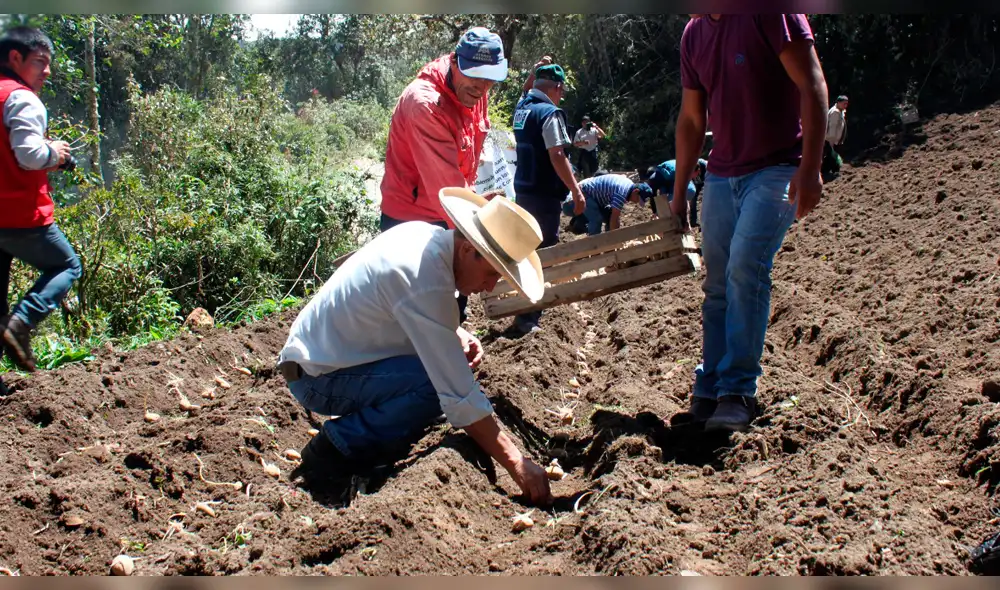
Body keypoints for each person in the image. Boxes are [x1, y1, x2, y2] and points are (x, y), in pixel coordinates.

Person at [280, 189, 553, 506]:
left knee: (437, 379)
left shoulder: (424, 237)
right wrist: (517, 463)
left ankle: (379, 427)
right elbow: (459, 394)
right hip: (318, 378)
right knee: (436, 387)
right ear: (467, 250)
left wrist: (453, 332)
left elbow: (406, 308)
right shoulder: (423, 278)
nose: (489, 287)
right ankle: (338, 446)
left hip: (325, 358)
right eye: (492, 273)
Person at [671, 14, 827, 433]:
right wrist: (680, 190)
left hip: (776, 166)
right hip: (722, 172)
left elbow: (812, 83)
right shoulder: (694, 34)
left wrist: (811, 167)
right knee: (717, 282)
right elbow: (691, 119)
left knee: (745, 267)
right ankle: (711, 384)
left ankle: (738, 390)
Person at [378, 26, 510, 324]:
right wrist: (485, 235)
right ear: (454, 62)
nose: (481, 87)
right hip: (410, 222)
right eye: (474, 75)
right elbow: (448, 192)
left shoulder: (476, 90)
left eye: (490, 79)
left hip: (452, 212)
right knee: (417, 315)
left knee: (451, 309)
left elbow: (460, 177)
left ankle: (449, 350)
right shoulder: (424, 105)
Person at [0, 26, 80, 374]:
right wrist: (56, 153)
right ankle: (22, 323)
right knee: (67, 265)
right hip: (20, 213)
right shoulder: (21, 98)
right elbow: (29, 155)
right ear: (15, 58)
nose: (47, 71)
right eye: (40, 62)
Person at [511, 60, 585, 334]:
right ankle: (529, 317)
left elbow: (525, 89)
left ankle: (525, 310)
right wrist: (576, 190)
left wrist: (533, 71)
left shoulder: (523, 109)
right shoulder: (549, 114)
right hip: (544, 195)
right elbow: (557, 154)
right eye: (561, 91)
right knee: (542, 253)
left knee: (526, 249)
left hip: (524, 191)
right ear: (557, 87)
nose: (561, 96)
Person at [562, 174, 652, 236]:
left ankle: (579, 223)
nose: (636, 202)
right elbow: (615, 218)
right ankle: (595, 248)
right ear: (636, 192)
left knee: (608, 213)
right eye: (638, 199)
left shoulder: (628, 185)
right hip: (574, 200)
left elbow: (612, 217)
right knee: (596, 219)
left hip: (590, 200)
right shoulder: (622, 192)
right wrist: (615, 238)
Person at [644, 159, 698, 227]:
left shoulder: (655, 179)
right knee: (670, 205)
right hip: (685, 184)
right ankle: (683, 223)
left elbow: (654, 197)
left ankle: (678, 224)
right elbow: (660, 196)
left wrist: (656, 212)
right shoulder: (663, 171)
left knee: (671, 206)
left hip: (686, 187)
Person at [572, 115, 605, 179]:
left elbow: (603, 135)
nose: (585, 124)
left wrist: (596, 127)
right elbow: (575, 144)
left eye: (587, 122)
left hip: (593, 151)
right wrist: (583, 142)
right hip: (584, 152)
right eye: (584, 122)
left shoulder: (594, 130)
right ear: (582, 123)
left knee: (595, 170)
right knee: (586, 171)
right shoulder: (579, 132)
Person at [823, 95, 848, 178]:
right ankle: (833, 172)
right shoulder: (835, 112)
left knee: (831, 155)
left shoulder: (840, 111)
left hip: (835, 139)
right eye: (844, 103)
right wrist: (831, 141)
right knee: (832, 156)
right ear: (838, 103)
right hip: (832, 139)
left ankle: (827, 171)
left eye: (846, 104)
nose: (845, 105)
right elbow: (832, 127)